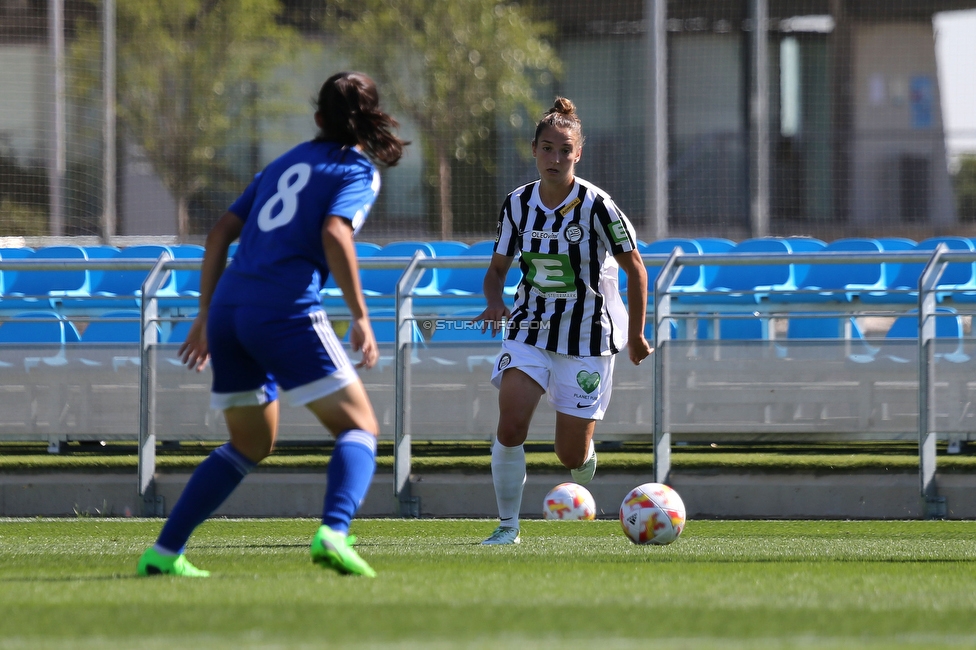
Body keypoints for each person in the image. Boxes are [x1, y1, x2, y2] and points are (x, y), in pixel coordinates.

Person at [136, 71, 408, 578]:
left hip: (228, 311)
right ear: (367, 120)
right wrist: (362, 317)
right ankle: (333, 532)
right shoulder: (355, 170)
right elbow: (334, 233)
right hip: (283, 309)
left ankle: (165, 552)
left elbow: (219, 233)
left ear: (318, 118)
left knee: (249, 444)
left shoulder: (282, 163)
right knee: (360, 426)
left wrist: (203, 314)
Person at [474, 97, 652, 545]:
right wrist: (495, 302)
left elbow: (635, 268)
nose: (555, 158)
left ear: (578, 154)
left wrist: (636, 335)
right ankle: (507, 527)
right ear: (533, 150)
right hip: (530, 327)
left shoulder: (598, 205)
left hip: (588, 336)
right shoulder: (517, 204)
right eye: (547, 148)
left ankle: (584, 449)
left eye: (565, 150)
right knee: (511, 424)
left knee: (567, 454)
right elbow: (496, 270)